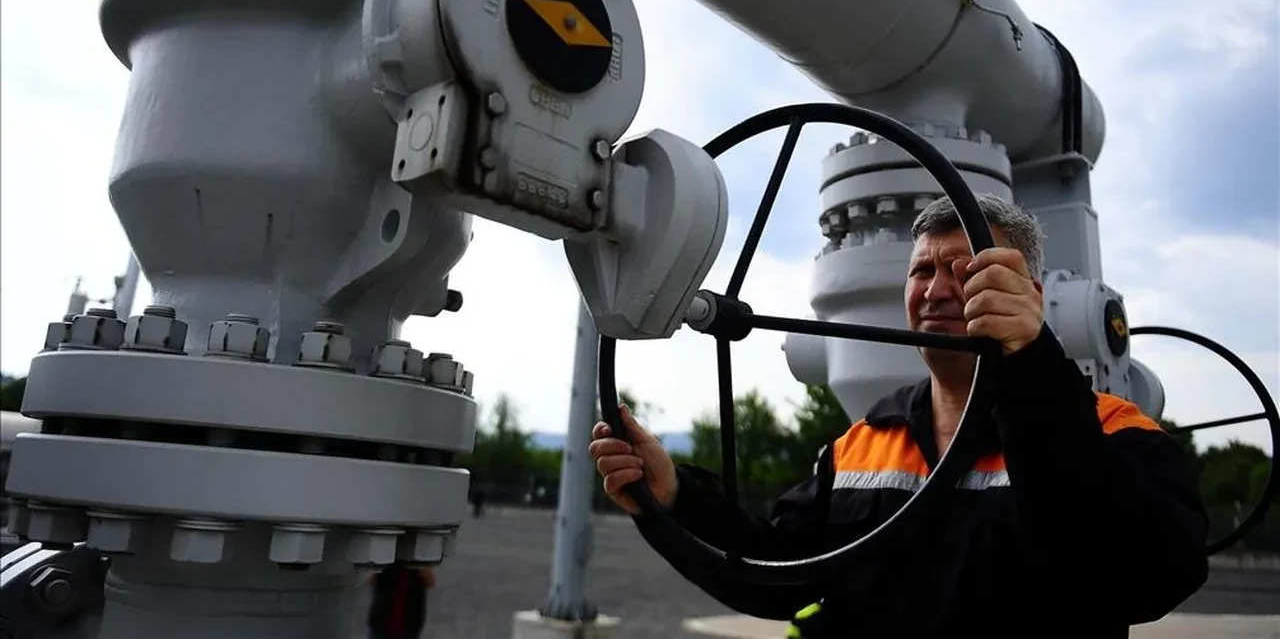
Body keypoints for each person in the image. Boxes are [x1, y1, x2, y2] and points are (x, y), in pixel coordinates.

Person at [589, 194, 1209, 638]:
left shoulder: (1111, 430)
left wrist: (1034, 370)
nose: (936, 288)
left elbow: (1152, 573)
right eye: (921, 270)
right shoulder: (862, 447)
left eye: (964, 268)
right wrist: (673, 498)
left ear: (1030, 295)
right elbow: (780, 572)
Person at [366, 562, 435, 639]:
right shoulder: (387, 561)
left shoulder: (417, 565)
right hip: (381, 624)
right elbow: (371, 579)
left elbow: (430, 581)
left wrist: (420, 565)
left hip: (408, 627)